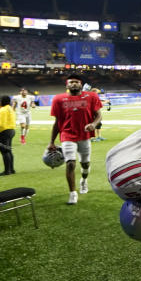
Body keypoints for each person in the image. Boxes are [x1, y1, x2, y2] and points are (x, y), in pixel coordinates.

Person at [48, 75, 102, 204]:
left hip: (84, 135)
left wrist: (93, 125)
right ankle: (73, 193)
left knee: (85, 164)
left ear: (81, 84)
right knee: (70, 163)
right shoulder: (58, 99)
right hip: (67, 135)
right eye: (71, 82)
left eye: (76, 82)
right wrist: (51, 141)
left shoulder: (91, 96)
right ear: (67, 85)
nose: (73, 84)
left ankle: (83, 180)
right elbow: (57, 122)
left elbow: (99, 115)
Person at [0, 95, 16, 175]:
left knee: (4, 151)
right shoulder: (9, 108)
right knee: (8, 150)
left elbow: (0, 124)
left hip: (4, 131)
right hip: (11, 130)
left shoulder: (3, 110)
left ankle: (7, 171)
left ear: (2, 101)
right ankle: (11, 169)